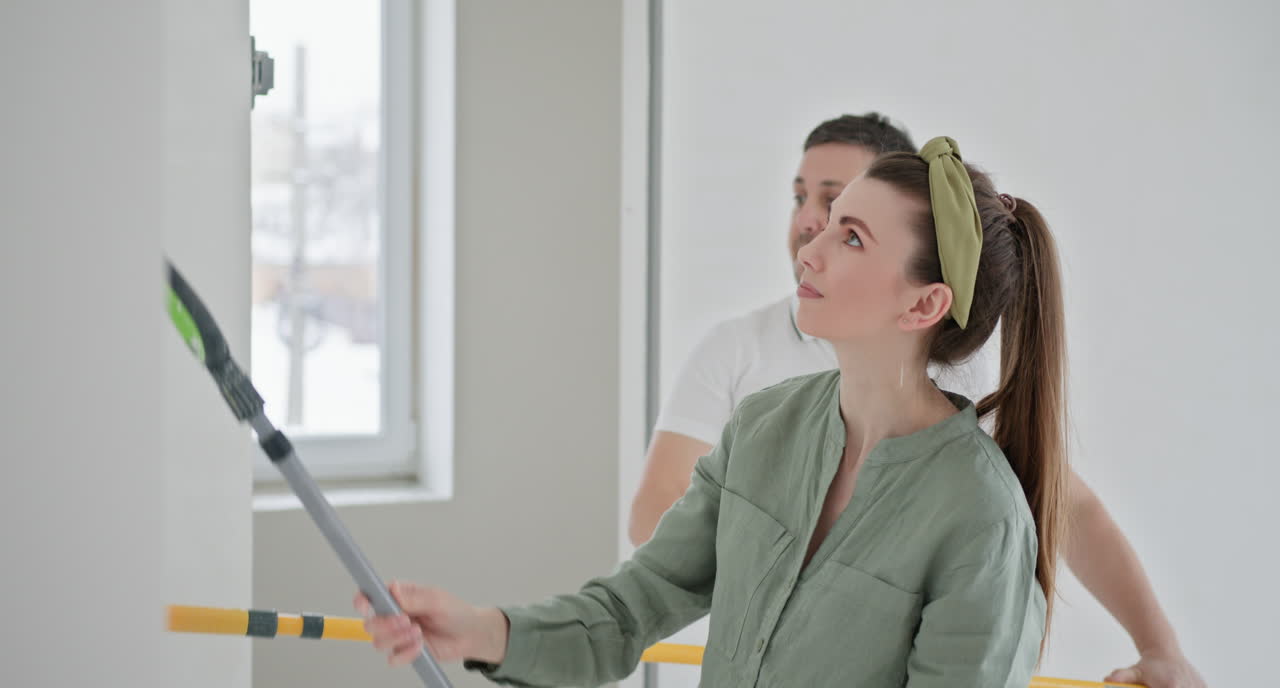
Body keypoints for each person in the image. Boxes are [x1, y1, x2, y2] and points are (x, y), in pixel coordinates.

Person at [359, 137, 1066, 686]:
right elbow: (631, 610)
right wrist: (481, 630)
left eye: (851, 236)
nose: (810, 248)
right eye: (821, 223)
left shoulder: (981, 519)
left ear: (923, 304)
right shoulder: (764, 427)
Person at [630, 114, 1205, 688]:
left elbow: (1067, 507)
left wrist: (1161, 649)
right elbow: (656, 511)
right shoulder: (738, 352)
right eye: (803, 198)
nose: (809, 222)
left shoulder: (954, 395)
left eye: (841, 213)